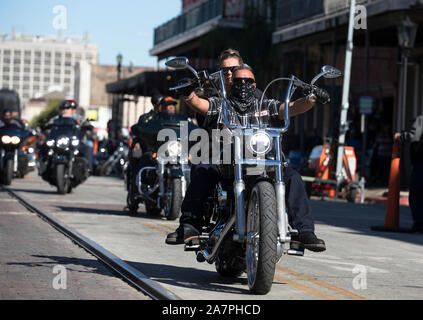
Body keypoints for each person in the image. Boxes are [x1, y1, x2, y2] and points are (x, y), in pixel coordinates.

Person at [166, 63, 330, 252]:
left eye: (247, 81)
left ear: (254, 84)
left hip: (264, 162)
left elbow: (292, 107)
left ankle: (304, 232)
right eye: (238, 81)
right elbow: (201, 105)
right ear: (232, 83)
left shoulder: (266, 105)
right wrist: (189, 93)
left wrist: (312, 98)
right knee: (203, 169)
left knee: (293, 178)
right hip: (228, 161)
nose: (243, 84)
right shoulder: (222, 104)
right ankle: (189, 226)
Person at [395, 116, 423, 233]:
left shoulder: (421, 119)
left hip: (421, 163)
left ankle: (419, 223)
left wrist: (400, 137)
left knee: (416, 193)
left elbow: (413, 136)